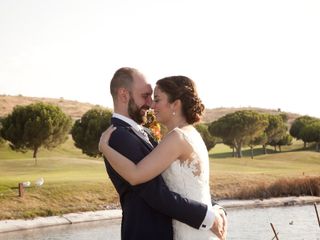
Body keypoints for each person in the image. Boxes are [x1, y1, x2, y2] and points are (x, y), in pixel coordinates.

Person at [100, 67, 227, 240]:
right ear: (124, 94)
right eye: (145, 96)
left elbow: (180, 182)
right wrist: (208, 216)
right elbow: (154, 191)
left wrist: (214, 209)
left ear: (175, 104)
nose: (150, 103)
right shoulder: (118, 136)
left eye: (155, 98)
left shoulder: (166, 135)